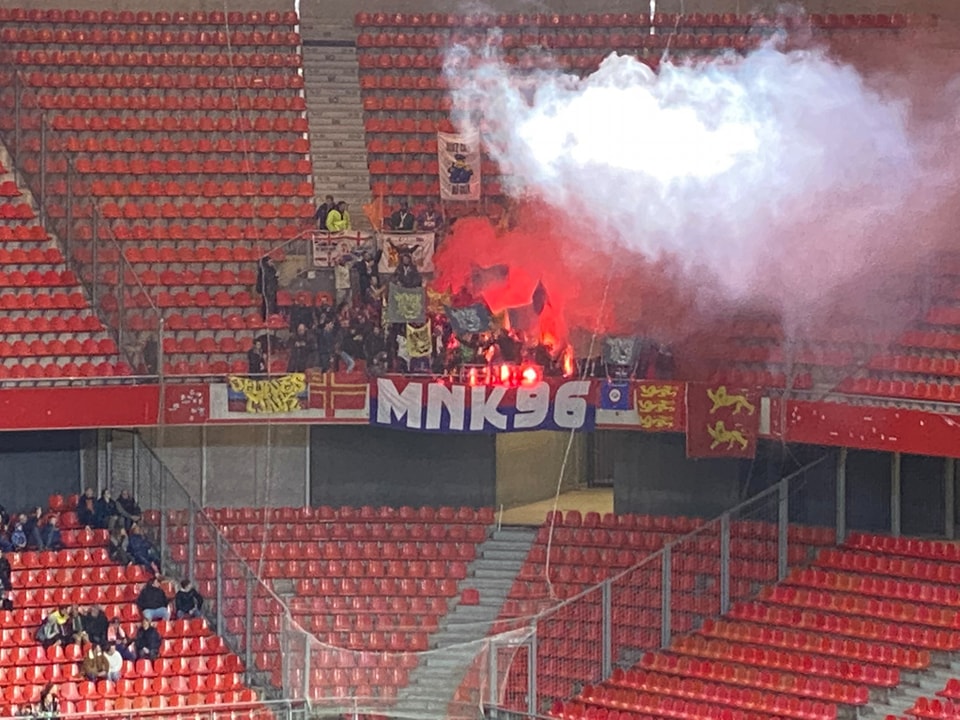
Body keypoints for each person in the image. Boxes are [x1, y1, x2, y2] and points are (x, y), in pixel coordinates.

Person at [257, 256, 279, 320]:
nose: (272, 263)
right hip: (267, 290)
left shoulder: (272, 269)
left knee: (272, 305)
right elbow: (266, 278)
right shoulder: (264, 269)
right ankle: (266, 318)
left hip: (272, 289)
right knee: (267, 305)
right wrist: (274, 275)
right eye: (270, 261)